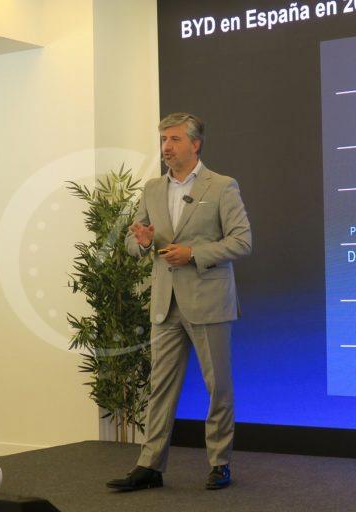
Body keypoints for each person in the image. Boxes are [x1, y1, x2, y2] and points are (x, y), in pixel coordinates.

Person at [107, 113, 252, 491]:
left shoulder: (222, 186)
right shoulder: (153, 188)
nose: (166, 147)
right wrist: (141, 242)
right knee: (160, 388)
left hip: (209, 302)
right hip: (164, 304)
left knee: (218, 387)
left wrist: (193, 253)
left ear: (195, 144)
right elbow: (134, 240)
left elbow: (241, 241)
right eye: (163, 140)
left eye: (174, 139)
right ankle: (150, 466)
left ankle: (219, 462)